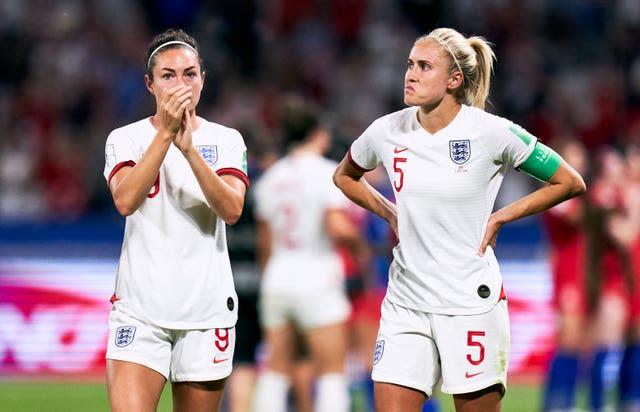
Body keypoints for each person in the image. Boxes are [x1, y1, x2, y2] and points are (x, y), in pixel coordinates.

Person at [332, 27, 587, 412]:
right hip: (406, 301)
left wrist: (501, 217)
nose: (410, 74)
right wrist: (389, 213)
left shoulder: (491, 132)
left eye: (424, 66)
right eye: (409, 65)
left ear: (454, 80)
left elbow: (569, 181)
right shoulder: (387, 130)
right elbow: (344, 176)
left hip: (470, 302)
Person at [102, 28, 249, 412]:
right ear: (150, 84)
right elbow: (125, 200)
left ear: (202, 79)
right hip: (140, 310)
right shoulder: (125, 138)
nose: (180, 83)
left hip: (206, 312)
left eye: (189, 73)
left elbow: (232, 210)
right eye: (168, 75)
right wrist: (165, 135)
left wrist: (190, 152)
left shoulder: (227, 139)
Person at [252, 95, 369, 412]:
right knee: (332, 372)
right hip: (317, 277)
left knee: (276, 368)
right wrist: (360, 250)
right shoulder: (328, 174)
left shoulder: (270, 179)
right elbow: (338, 226)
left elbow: (265, 244)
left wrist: (271, 278)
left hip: (278, 278)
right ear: (318, 134)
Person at [540, 138, 590, 411]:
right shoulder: (558, 197)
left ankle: (565, 401)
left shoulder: (576, 197)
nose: (577, 164)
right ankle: (555, 403)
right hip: (568, 276)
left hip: (582, 275)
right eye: (572, 158)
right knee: (568, 342)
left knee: (578, 344)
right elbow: (578, 218)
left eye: (580, 158)